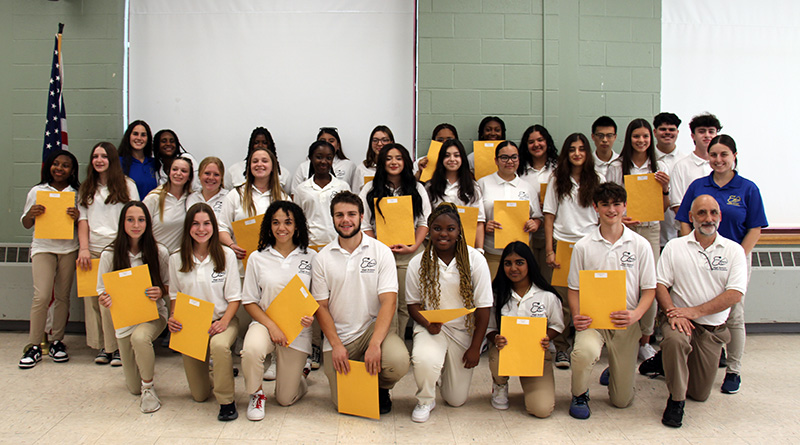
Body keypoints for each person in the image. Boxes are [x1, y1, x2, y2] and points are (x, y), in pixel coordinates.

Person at [676, 134, 767, 394]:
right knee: (694, 305)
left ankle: (733, 369)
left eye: (724, 154)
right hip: (699, 256)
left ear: (734, 156)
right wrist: (689, 246)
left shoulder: (747, 188)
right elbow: (684, 218)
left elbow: (755, 227)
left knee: (734, 315)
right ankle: (696, 361)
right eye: (713, 154)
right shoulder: (698, 186)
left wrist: (738, 255)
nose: (718, 160)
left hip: (735, 258)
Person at [312, 191, 410, 414]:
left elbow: (389, 302)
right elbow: (321, 307)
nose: (345, 220)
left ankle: (381, 387)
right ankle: (361, 379)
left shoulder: (381, 251)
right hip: (339, 337)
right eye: (339, 215)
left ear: (361, 216)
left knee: (397, 362)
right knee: (345, 406)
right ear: (333, 219)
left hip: (370, 330)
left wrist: (375, 344)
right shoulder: (322, 258)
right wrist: (336, 345)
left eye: (351, 214)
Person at [656, 195, 747, 428]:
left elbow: (735, 294)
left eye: (713, 213)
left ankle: (666, 363)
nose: (708, 218)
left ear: (720, 216)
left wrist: (694, 312)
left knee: (699, 393)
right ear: (691, 217)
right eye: (702, 213)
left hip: (710, 328)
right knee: (676, 341)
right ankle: (675, 402)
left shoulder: (734, 251)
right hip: (678, 322)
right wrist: (673, 313)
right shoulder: (676, 247)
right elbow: (660, 284)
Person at [566, 182, 656, 419]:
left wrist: (635, 315)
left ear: (625, 206)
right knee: (583, 353)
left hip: (624, 321)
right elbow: (574, 289)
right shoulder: (583, 246)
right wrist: (577, 316)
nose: (611, 210)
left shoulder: (640, 245)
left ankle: (615, 370)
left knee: (621, 401)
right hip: (593, 320)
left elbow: (649, 289)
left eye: (617, 204)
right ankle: (579, 393)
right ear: (595, 207)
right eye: (605, 204)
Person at [406, 203, 492, 423]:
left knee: (455, 399)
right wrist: (426, 324)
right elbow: (413, 305)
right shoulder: (418, 262)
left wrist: (475, 347)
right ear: (429, 231)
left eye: (450, 228)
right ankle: (425, 399)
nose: (443, 234)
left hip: (463, 330)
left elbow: (484, 307)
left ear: (459, 231)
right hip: (432, 327)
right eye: (437, 228)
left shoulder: (475, 260)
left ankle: (440, 374)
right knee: (424, 359)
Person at [241, 201, 316, 420]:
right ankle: (256, 394)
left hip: (297, 330)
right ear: (268, 226)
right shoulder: (257, 257)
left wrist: (310, 316)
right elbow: (250, 301)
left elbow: (317, 297)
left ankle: (298, 380)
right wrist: (272, 326)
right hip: (265, 324)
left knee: (285, 399)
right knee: (252, 350)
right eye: (275, 222)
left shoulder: (311, 257)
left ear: (297, 226)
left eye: (287, 222)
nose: (281, 228)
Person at [168, 203, 242, 421]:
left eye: (207, 224)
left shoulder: (226, 255)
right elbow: (175, 295)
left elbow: (235, 298)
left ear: (214, 227)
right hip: (191, 325)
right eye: (196, 224)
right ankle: (219, 374)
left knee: (219, 346)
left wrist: (224, 322)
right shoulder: (176, 258)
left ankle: (227, 401)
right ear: (188, 228)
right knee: (199, 395)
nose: (201, 229)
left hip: (222, 319)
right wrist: (173, 318)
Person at [606, 119, 670, 361]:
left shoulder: (660, 165)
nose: (641, 141)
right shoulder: (617, 166)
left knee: (648, 284)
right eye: (636, 136)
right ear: (628, 138)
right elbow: (608, 201)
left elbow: (662, 208)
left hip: (651, 230)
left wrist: (664, 189)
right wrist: (621, 220)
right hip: (623, 229)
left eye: (645, 136)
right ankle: (618, 334)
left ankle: (645, 338)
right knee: (623, 282)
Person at [97, 202, 170, 413]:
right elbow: (102, 291)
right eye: (130, 220)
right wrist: (105, 299)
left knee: (140, 337)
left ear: (148, 223)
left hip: (153, 315)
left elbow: (168, 285)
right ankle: (140, 385)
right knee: (132, 388)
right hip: (125, 320)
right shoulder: (109, 255)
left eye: (141, 220)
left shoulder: (159, 252)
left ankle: (149, 388)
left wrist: (160, 291)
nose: (136, 225)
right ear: (122, 223)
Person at [542, 133, 602, 369]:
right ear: (566, 154)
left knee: (589, 299)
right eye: (572, 149)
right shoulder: (557, 179)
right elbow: (549, 216)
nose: (577, 153)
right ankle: (563, 349)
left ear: (588, 153)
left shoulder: (598, 179)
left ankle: (585, 346)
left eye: (582, 149)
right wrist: (549, 250)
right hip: (563, 244)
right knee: (564, 301)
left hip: (591, 245)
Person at [360, 143, 432, 336]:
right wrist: (379, 247)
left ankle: (398, 342)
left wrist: (414, 247)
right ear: (382, 162)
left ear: (406, 161)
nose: (394, 162)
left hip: (410, 255)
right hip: (380, 254)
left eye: (398, 158)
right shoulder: (370, 188)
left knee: (405, 304)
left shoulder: (417, 188)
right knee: (384, 302)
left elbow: (424, 221)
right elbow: (364, 224)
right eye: (389, 158)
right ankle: (385, 343)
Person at [77, 142, 139, 366]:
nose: (99, 160)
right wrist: (83, 248)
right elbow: (82, 220)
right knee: (95, 301)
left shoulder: (127, 186)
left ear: (112, 160)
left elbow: (135, 217)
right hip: (92, 249)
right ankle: (104, 346)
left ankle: (122, 347)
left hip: (119, 249)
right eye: (95, 156)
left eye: (104, 156)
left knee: (120, 300)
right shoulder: (86, 187)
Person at [486, 241, 564, 418]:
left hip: (535, 355)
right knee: (497, 357)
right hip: (505, 353)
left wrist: (547, 337)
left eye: (519, 262)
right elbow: (489, 328)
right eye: (508, 263)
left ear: (530, 263)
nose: (513, 268)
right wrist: (495, 338)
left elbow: (557, 325)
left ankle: (532, 387)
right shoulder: (496, 294)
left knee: (541, 410)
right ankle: (499, 385)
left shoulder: (547, 296)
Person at [18, 150, 81, 369]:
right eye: (56, 164)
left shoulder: (77, 193)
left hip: (68, 249)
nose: (60, 169)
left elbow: (81, 225)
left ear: (72, 171)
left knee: (63, 296)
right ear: (49, 166)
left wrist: (76, 218)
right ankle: (34, 344)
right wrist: (32, 214)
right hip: (43, 248)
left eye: (65, 166)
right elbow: (26, 223)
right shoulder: (37, 190)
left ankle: (57, 341)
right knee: (42, 296)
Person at [477, 141, 543, 278]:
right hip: (492, 252)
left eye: (514, 157)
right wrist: (485, 226)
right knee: (493, 293)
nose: (510, 161)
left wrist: (534, 224)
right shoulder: (482, 184)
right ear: (496, 160)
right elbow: (475, 218)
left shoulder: (527, 187)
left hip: (522, 255)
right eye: (504, 157)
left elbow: (538, 216)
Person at [424, 139, 485, 249]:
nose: (452, 159)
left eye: (456, 155)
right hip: (437, 245)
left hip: (465, 246)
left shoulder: (473, 187)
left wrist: (479, 249)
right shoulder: (430, 186)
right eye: (447, 156)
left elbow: (479, 222)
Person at [518, 124, 559, 280]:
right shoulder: (519, 171)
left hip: (553, 232)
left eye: (540, 140)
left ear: (547, 142)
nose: (536, 145)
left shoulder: (559, 168)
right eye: (531, 142)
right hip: (527, 231)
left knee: (550, 278)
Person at [293, 140, 352, 247]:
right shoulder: (301, 189)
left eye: (328, 158)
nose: (324, 161)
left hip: (339, 244)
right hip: (311, 245)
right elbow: (298, 220)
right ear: (310, 158)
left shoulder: (343, 186)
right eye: (319, 157)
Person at [668, 113, 721, 219]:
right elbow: (677, 205)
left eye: (711, 131)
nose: (707, 135)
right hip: (690, 229)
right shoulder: (681, 166)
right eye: (702, 131)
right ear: (693, 136)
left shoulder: (723, 165)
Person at [143, 156, 197, 254]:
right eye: (174, 169)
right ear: (169, 172)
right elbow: (141, 228)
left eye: (184, 171)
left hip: (179, 259)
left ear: (189, 177)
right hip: (154, 255)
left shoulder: (192, 199)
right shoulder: (154, 198)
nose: (178, 173)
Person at [653, 112, 687, 247]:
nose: (667, 133)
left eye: (671, 129)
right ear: (655, 132)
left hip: (678, 233)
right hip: (652, 231)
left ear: (677, 132)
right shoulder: (645, 161)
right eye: (663, 129)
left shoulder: (685, 161)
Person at [225, 127, 291, 193]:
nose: (260, 145)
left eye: (264, 142)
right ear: (251, 145)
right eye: (256, 142)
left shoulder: (284, 173)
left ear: (270, 145)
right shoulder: (234, 170)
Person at [291, 127, 355, 191]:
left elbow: (355, 191)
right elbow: (294, 194)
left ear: (338, 145)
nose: (327, 143)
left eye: (331, 141)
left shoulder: (349, 165)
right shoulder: (303, 167)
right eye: (322, 141)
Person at [119, 120, 159, 199]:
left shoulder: (154, 163)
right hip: (130, 209)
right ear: (128, 136)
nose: (139, 138)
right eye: (135, 134)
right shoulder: (119, 162)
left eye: (143, 135)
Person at [353, 125, 394, 192]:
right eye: (375, 140)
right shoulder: (362, 168)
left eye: (384, 140)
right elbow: (355, 195)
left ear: (391, 142)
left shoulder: (397, 166)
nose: (380, 144)